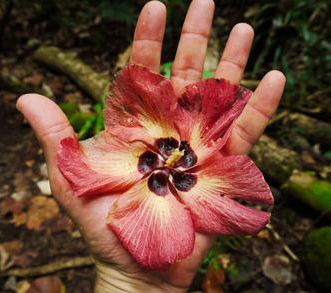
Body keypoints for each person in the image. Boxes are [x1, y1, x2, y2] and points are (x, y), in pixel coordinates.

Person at [16, 0, 286, 292]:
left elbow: (239, 201)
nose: (174, 158)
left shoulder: (191, 154)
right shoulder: (144, 147)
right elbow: (85, 163)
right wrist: (127, 281)